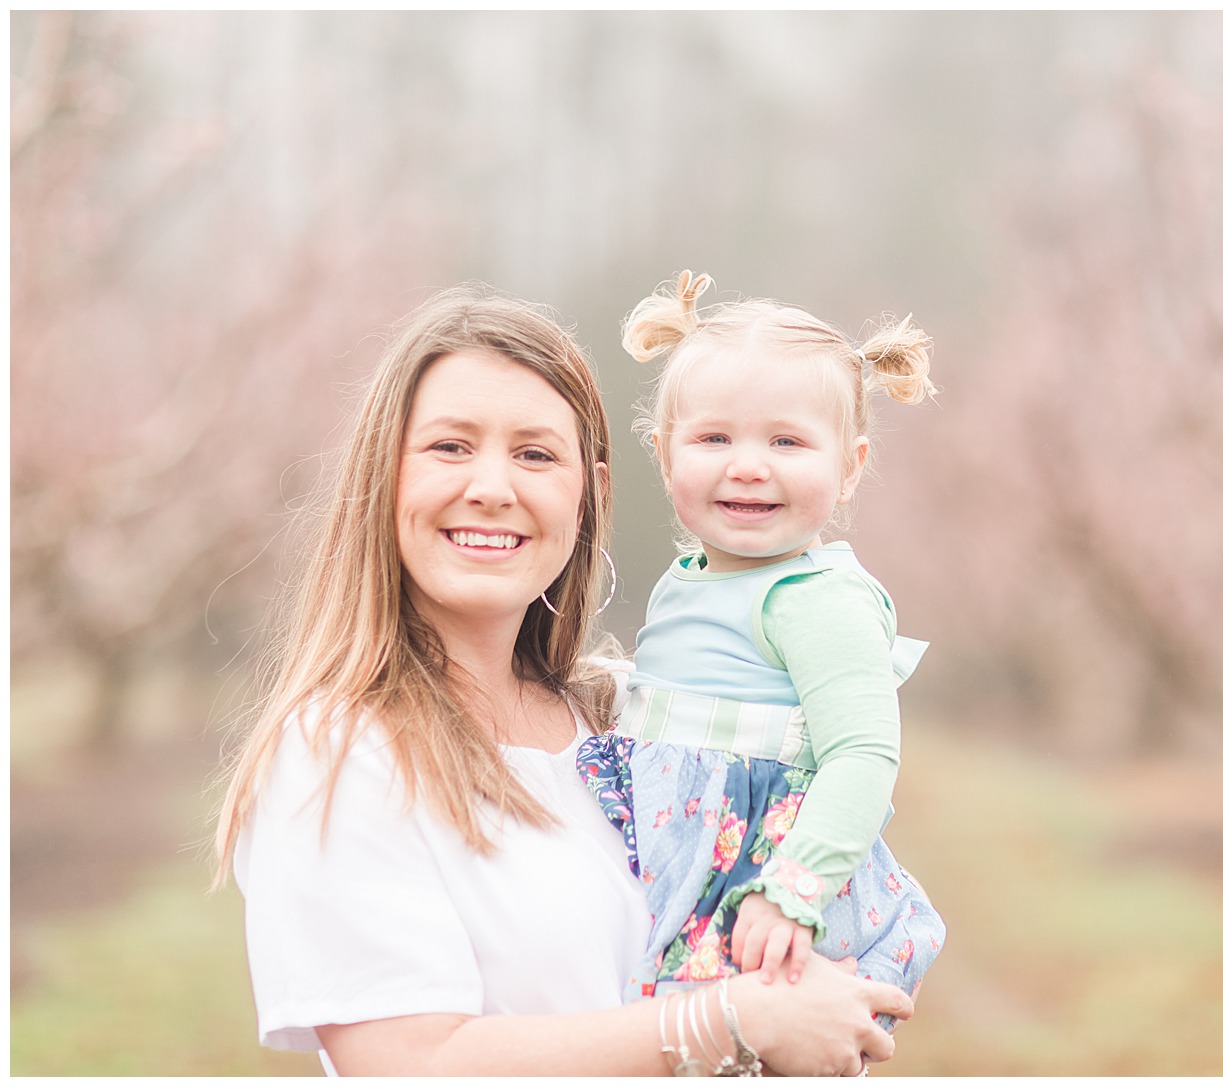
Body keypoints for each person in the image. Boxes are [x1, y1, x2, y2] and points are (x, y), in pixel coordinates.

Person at [211, 283, 911, 1077]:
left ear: (591, 494)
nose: (492, 487)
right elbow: (407, 1063)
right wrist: (733, 1020)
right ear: (385, 477)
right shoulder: (338, 754)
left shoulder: (622, 724)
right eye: (449, 446)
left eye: (536, 454)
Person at [577, 272, 946, 1026]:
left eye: (786, 441)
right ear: (665, 452)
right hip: (683, 860)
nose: (748, 464)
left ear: (849, 466)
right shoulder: (687, 581)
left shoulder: (816, 599)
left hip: (755, 882)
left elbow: (864, 754)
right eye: (714, 438)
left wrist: (794, 886)